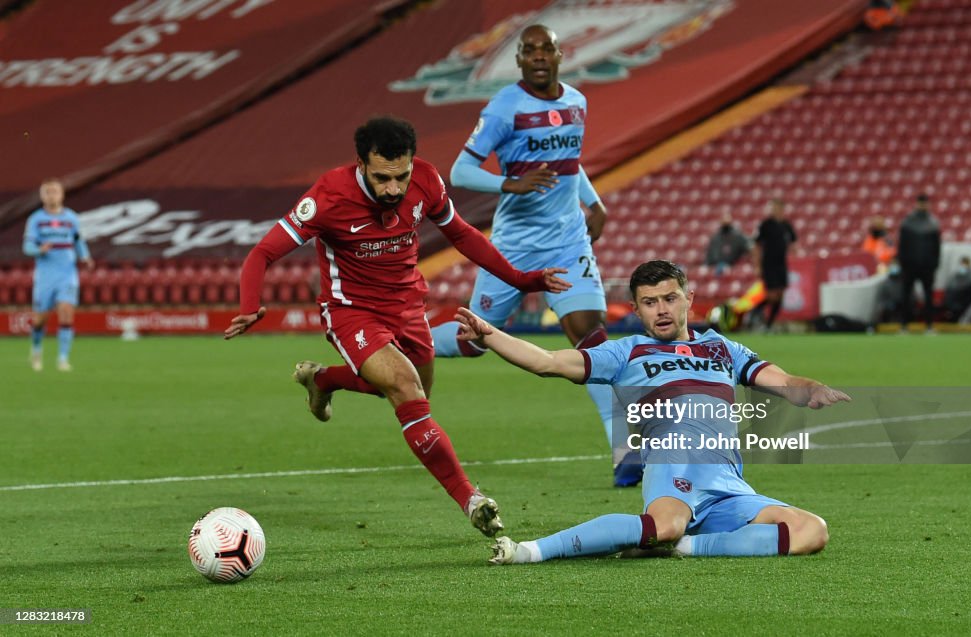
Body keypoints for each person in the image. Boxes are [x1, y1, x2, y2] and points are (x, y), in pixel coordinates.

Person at [224, 116, 570, 537]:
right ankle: (471, 499)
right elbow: (262, 252)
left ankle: (323, 379)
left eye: (400, 176)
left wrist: (521, 278)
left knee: (411, 393)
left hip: (408, 308)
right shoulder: (329, 195)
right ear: (361, 164)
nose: (393, 189)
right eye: (382, 178)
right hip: (350, 310)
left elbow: (461, 234)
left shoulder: (426, 180)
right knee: (405, 387)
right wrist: (250, 304)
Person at [453, 260, 849, 564]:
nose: (661, 310)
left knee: (811, 531)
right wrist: (490, 335)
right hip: (673, 469)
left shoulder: (722, 348)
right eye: (650, 302)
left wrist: (809, 388)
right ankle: (529, 551)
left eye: (670, 298)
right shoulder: (626, 353)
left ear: (689, 300)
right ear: (636, 310)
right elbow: (547, 361)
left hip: (728, 482)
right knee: (666, 523)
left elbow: (780, 379)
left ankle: (684, 547)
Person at [428, 25, 636, 486]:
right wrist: (511, 183)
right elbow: (461, 170)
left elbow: (570, 161)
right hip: (515, 246)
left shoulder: (576, 102)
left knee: (589, 333)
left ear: (561, 55)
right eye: (530, 50)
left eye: (547, 48)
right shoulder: (505, 107)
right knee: (473, 340)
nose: (539, 56)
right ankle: (409, 334)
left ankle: (625, 450)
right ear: (520, 61)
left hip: (567, 239)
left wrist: (594, 202)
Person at [22, 178, 94, 372]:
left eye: (55, 191)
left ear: (62, 195)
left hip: (67, 273)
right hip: (45, 275)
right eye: (48, 192)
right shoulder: (36, 219)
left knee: (66, 313)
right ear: (42, 196)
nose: (51, 195)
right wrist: (39, 250)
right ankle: (36, 350)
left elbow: (79, 242)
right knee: (40, 320)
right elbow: (27, 247)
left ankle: (63, 358)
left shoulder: (71, 218)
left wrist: (85, 257)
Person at [897, 193, 941, 332]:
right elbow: (902, 246)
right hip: (909, 266)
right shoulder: (907, 222)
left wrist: (934, 264)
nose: (923, 205)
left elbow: (937, 247)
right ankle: (904, 325)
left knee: (928, 297)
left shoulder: (933, 223)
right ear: (916, 204)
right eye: (921, 203)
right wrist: (903, 263)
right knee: (906, 296)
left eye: (925, 203)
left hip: (927, 267)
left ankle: (929, 325)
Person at [751, 198, 796, 329]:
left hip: (781, 264)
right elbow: (756, 245)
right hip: (768, 264)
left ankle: (768, 324)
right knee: (771, 295)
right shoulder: (765, 225)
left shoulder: (786, 225)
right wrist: (758, 265)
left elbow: (793, 242)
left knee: (780, 294)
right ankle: (755, 313)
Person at [943, 256, 971, 323]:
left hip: (962, 302)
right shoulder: (956, 274)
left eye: (966, 263)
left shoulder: (970, 277)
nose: (964, 265)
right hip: (955, 300)